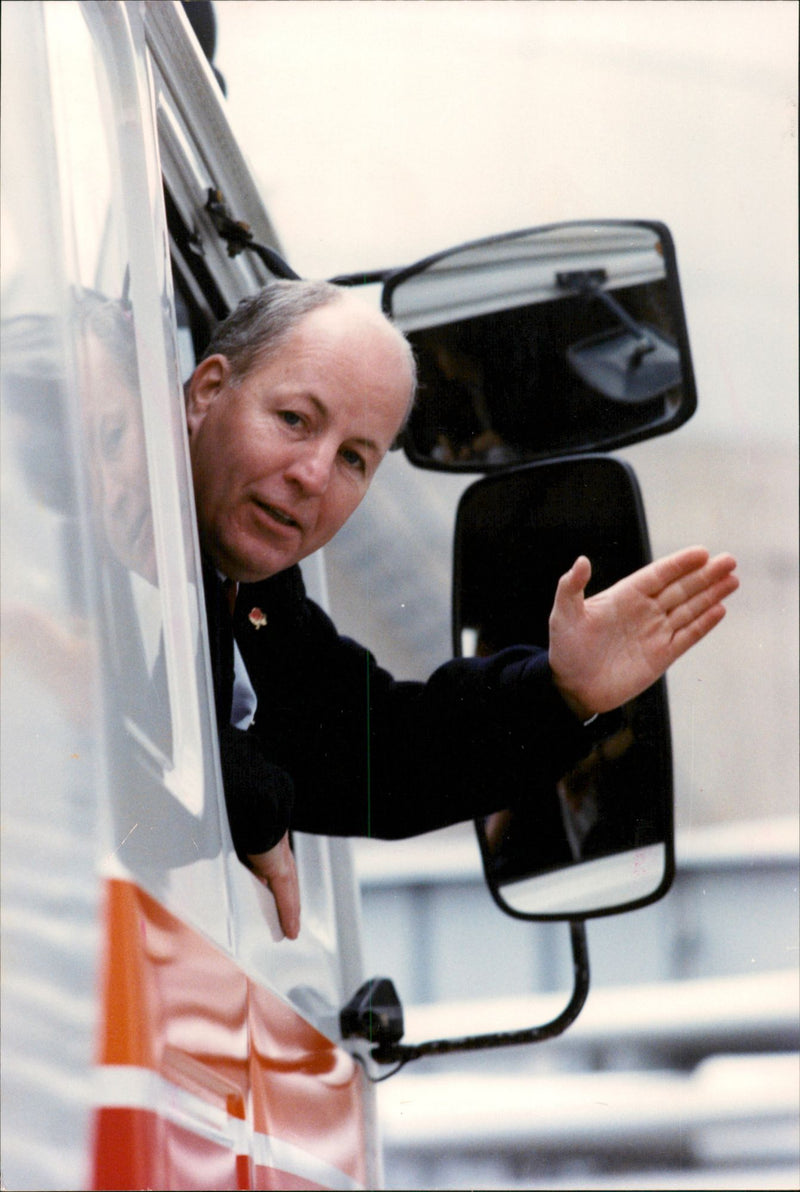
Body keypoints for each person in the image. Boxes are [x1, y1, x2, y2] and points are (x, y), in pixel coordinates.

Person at [184, 280, 739, 940]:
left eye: (354, 459)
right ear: (207, 391)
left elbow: (381, 754)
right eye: (295, 420)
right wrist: (216, 771)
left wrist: (561, 693)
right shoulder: (68, 507)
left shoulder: (256, 595)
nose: (312, 474)